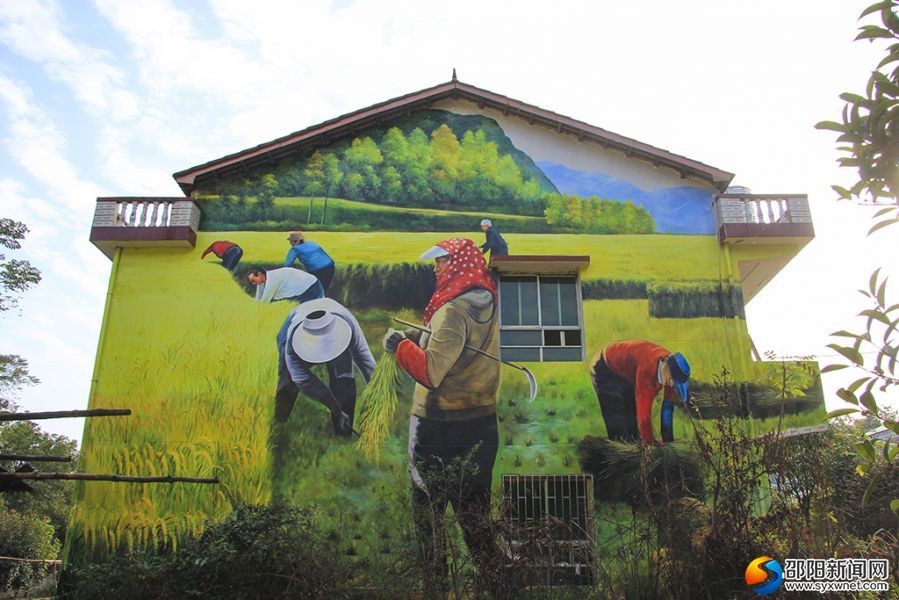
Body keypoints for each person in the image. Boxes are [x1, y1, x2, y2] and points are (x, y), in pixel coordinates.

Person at [383, 237, 500, 594]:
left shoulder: (451, 310)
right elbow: (456, 347)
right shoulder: (488, 300)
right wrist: (419, 336)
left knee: (427, 513)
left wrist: (399, 346)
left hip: (438, 427)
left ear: (460, 263)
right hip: (481, 424)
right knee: (475, 512)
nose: (436, 268)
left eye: (442, 260)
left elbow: (432, 372)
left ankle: (435, 586)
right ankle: (496, 582)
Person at [281, 299, 375, 435]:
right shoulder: (291, 344)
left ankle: (343, 432)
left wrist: (378, 399)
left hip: (337, 333)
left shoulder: (348, 325)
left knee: (343, 380)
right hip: (294, 332)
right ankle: (280, 424)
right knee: (286, 382)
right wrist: (335, 408)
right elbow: (305, 381)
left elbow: (366, 362)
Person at [589, 340, 691, 445]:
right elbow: (644, 416)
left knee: (633, 432)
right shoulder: (648, 370)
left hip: (627, 372)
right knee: (619, 434)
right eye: (671, 380)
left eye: (675, 383)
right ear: (666, 366)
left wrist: (668, 441)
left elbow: (667, 409)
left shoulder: (672, 371)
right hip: (604, 367)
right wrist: (651, 443)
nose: (671, 384)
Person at [248, 267, 324, 305]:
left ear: (260, 274)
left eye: (253, 280)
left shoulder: (273, 279)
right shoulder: (262, 282)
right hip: (306, 288)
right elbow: (258, 299)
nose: (253, 283)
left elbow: (264, 303)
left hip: (311, 287)